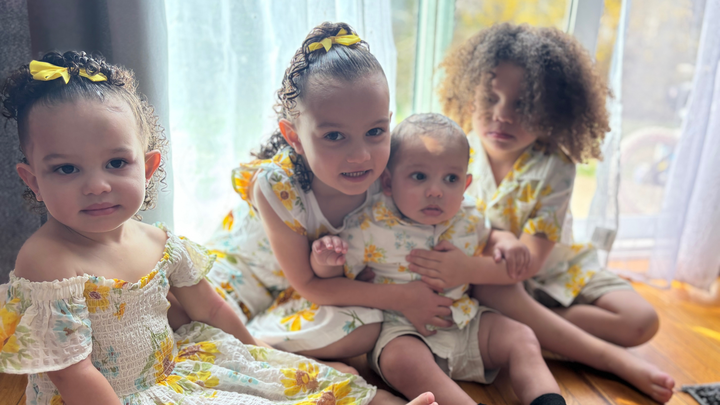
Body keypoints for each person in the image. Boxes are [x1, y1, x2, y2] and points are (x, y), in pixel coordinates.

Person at [0, 50, 435, 405]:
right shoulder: (47, 261)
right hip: (104, 397)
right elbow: (73, 374)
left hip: (174, 372)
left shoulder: (157, 241)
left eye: (116, 163)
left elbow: (211, 310)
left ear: (147, 167)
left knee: (299, 383)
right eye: (66, 169)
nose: (97, 185)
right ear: (33, 180)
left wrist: (262, 361)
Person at [404, 23, 675, 403]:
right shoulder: (454, 154)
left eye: (523, 105)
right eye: (491, 99)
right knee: (493, 283)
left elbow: (529, 261)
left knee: (643, 321)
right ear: (468, 98)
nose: (502, 115)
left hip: (553, 268)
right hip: (493, 282)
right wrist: (466, 269)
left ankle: (543, 330)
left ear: (552, 113)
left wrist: (464, 269)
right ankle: (610, 359)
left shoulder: (555, 166)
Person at [202, 22, 452, 362]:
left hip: (304, 297)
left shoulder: (393, 169)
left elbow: (446, 198)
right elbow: (309, 283)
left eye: (375, 131)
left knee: (364, 327)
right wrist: (404, 297)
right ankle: (262, 351)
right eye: (334, 136)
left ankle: (265, 350)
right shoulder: (275, 185)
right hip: (244, 279)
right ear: (294, 137)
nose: (361, 156)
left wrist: (493, 244)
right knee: (195, 321)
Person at [311, 112, 567, 405]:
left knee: (522, 337)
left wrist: (506, 240)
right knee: (400, 361)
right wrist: (325, 260)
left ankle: (548, 401)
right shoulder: (369, 225)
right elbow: (336, 278)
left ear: (465, 185)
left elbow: (489, 235)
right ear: (389, 183)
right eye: (419, 176)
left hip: (466, 320)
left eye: (451, 179)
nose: (435, 191)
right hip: (403, 329)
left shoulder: (468, 215)